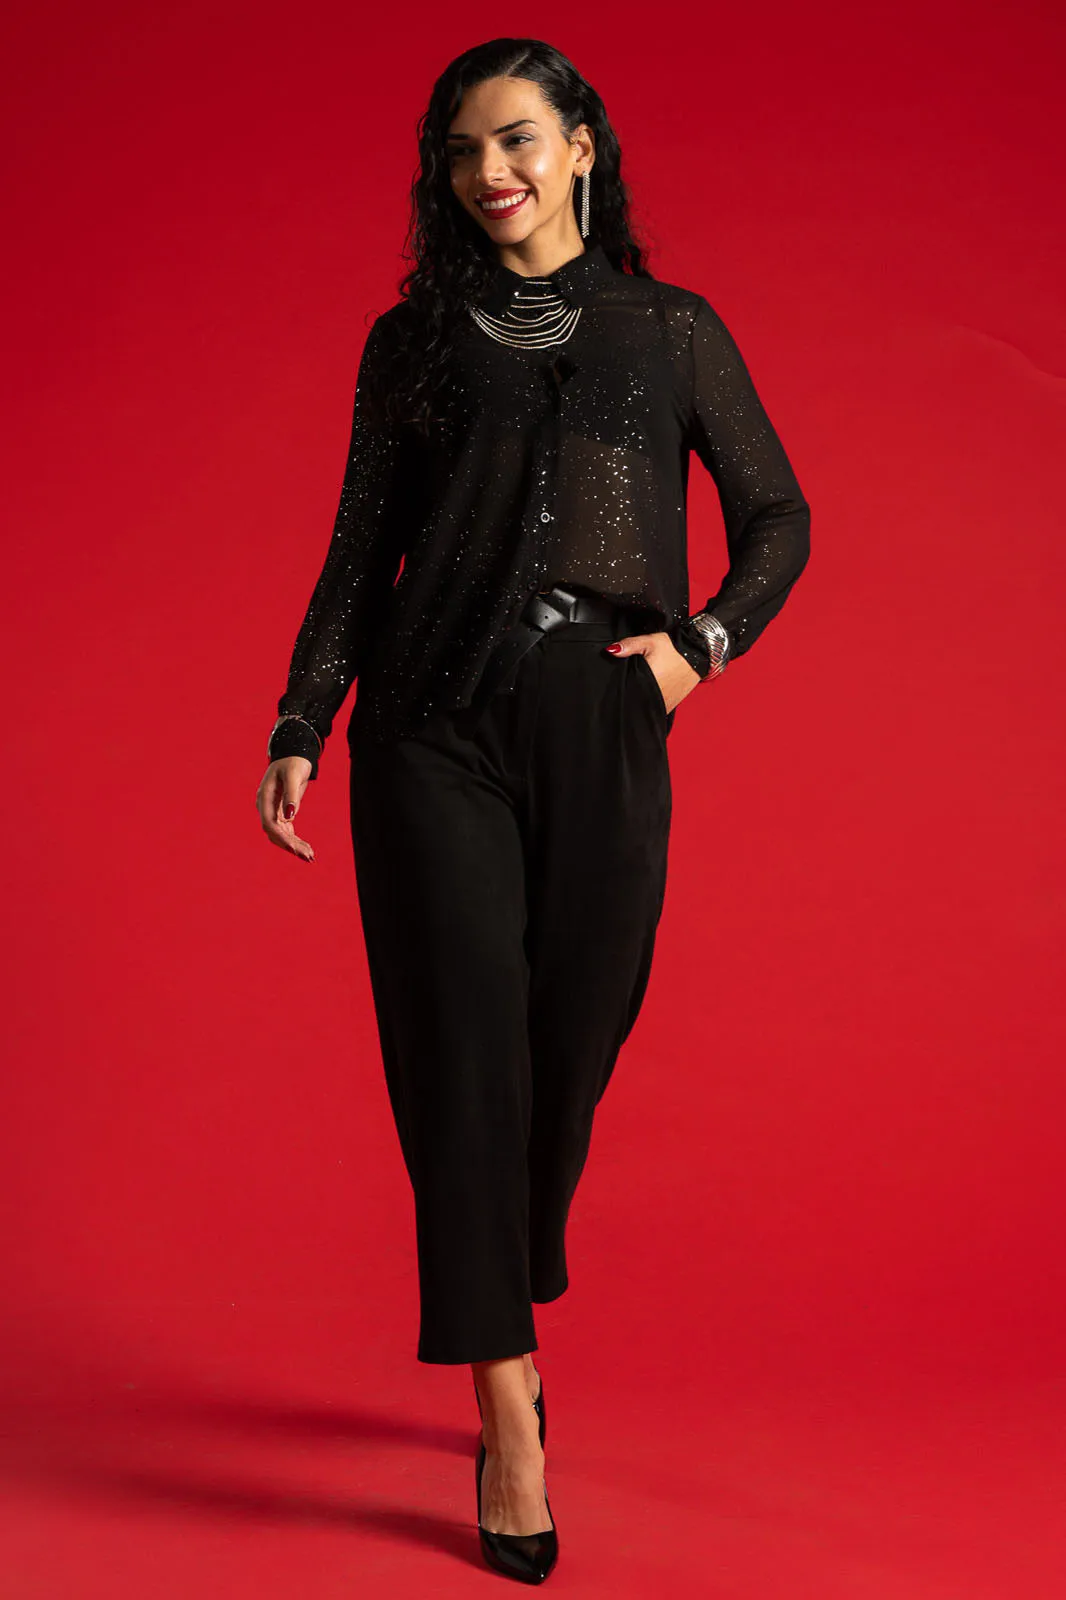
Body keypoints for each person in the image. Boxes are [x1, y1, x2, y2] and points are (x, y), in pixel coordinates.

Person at [255, 37, 810, 1586]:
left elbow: (777, 513)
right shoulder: (414, 341)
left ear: (579, 145)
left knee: (571, 1038)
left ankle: (508, 1257)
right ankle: (506, 1408)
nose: (485, 171)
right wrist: (303, 717)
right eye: (458, 151)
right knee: (461, 1057)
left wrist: (698, 648)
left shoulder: (666, 329)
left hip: (599, 710)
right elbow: (359, 546)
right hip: (428, 720)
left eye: (512, 139)